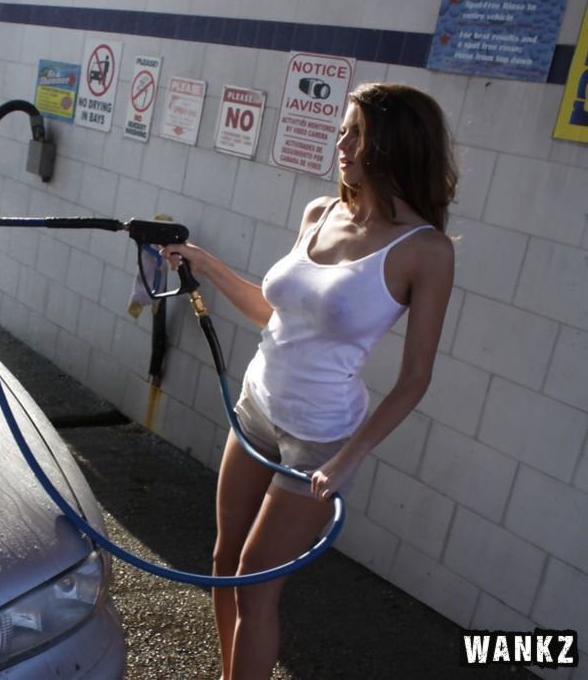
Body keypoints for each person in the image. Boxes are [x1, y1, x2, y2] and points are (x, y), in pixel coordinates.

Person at [161, 82, 457, 680]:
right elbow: (276, 314)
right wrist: (207, 263)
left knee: (255, 584)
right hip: (256, 407)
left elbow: (415, 377)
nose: (340, 142)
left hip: (321, 438)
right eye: (343, 129)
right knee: (224, 561)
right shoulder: (321, 213)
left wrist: (350, 458)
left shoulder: (425, 250)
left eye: (355, 132)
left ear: (391, 145)